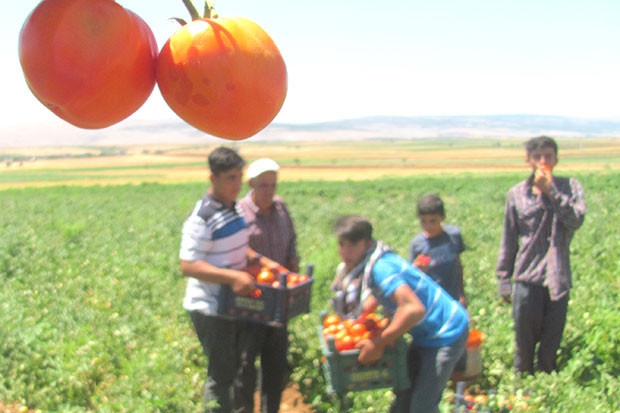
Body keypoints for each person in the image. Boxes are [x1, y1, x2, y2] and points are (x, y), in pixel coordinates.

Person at [179, 147, 282, 413]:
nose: (237, 185)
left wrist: (260, 260)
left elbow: (236, 245)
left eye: (239, 177)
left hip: (230, 304)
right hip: (210, 307)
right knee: (221, 375)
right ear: (213, 178)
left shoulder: (233, 209)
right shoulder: (202, 217)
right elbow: (188, 265)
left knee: (236, 369)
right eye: (230, 178)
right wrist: (233, 276)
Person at [331, 214, 469, 413]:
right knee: (404, 395)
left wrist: (379, 343)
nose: (345, 252)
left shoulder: (381, 268)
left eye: (352, 245)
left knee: (423, 407)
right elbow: (379, 298)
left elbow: (413, 309)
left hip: (446, 332)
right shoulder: (374, 262)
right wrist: (359, 323)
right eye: (342, 244)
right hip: (425, 334)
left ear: (367, 243)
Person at [496, 135, 586, 375]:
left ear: (556, 159)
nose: (543, 161)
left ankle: (547, 387)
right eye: (537, 156)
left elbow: (576, 220)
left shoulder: (571, 187)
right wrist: (504, 279)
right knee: (523, 347)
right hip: (527, 278)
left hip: (558, 279)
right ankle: (523, 388)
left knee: (550, 347)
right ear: (528, 160)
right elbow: (508, 240)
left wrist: (551, 191)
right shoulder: (517, 194)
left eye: (548, 156)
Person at [238, 158, 300, 413]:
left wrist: (293, 267)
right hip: (250, 301)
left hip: (279, 301)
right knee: (245, 365)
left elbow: (291, 239)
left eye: (273, 185)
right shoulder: (239, 213)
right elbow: (235, 249)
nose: (269, 191)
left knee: (275, 365)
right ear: (251, 184)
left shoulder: (281, 208)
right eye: (263, 185)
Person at [408, 194, 467, 307]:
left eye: (433, 221)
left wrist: (461, 294)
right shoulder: (417, 244)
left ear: (443, 217)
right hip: (431, 301)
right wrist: (417, 269)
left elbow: (458, 265)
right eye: (423, 221)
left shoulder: (454, 235)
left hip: (453, 297)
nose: (428, 226)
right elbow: (411, 276)